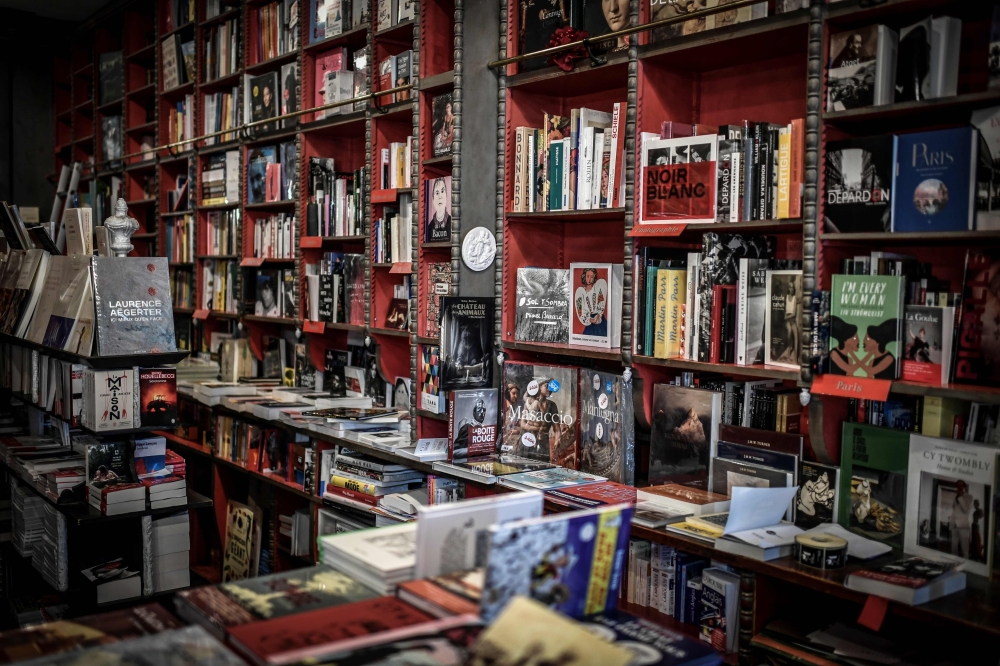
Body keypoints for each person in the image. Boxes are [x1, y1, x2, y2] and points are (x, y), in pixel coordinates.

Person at [574, 267, 608, 337]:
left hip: (599, 319)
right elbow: (580, 310)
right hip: (589, 320)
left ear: (594, 277)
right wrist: (590, 320)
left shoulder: (598, 287)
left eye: (592, 277)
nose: (589, 279)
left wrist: (599, 315)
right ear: (584, 276)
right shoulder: (580, 291)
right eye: (588, 276)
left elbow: (601, 300)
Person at [951, 480, 973, 558]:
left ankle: (966, 564)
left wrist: (960, 496)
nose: (959, 487)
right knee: (953, 550)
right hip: (954, 526)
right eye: (958, 486)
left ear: (964, 487)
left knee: (965, 551)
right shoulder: (956, 497)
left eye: (961, 485)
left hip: (963, 526)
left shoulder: (969, 497)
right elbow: (954, 509)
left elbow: (965, 510)